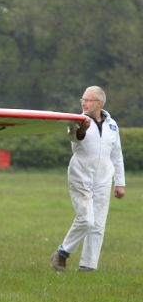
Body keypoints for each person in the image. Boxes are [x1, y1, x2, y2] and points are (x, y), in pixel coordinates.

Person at [51, 86, 125, 272]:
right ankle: (62, 253)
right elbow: (74, 137)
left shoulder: (112, 125)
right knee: (86, 220)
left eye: (87, 100)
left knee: (98, 225)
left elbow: (116, 155)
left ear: (99, 103)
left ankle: (88, 267)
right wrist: (81, 129)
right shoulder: (78, 120)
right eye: (82, 99)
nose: (82, 102)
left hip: (104, 178)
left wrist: (120, 182)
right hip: (80, 174)